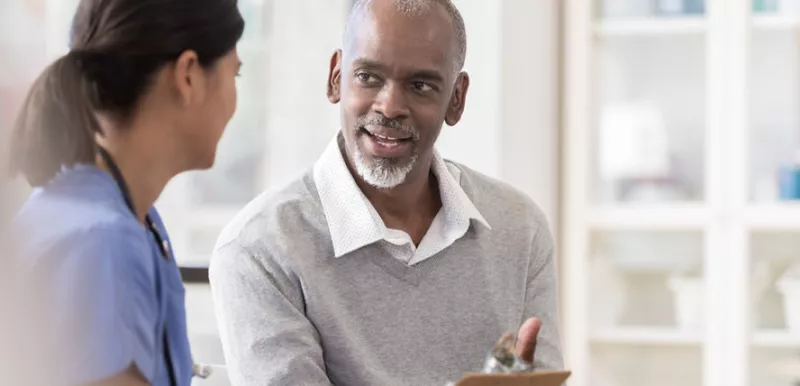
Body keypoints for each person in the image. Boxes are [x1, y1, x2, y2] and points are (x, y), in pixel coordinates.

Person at [209, 0, 563, 385]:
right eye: (368, 77)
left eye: (420, 85)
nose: (390, 106)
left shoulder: (519, 228)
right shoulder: (260, 249)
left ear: (456, 99)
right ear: (335, 77)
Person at [3, 0, 244, 385]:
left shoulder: (116, 218)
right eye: (236, 72)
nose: (234, 100)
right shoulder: (103, 244)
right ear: (188, 76)